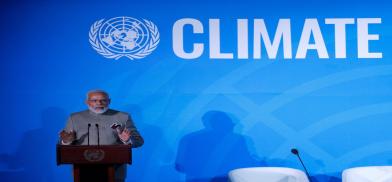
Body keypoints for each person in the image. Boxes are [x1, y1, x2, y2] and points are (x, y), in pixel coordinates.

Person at [59, 89, 144, 182]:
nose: (99, 103)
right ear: (87, 102)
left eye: (103, 100)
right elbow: (63, 143)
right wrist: (67, 141)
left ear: (109, 101)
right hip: (83, 171)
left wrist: (127, 141)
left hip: (114, 171)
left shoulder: (123, 116)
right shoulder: (74, 118)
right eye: (94, 100)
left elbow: (138, 141)